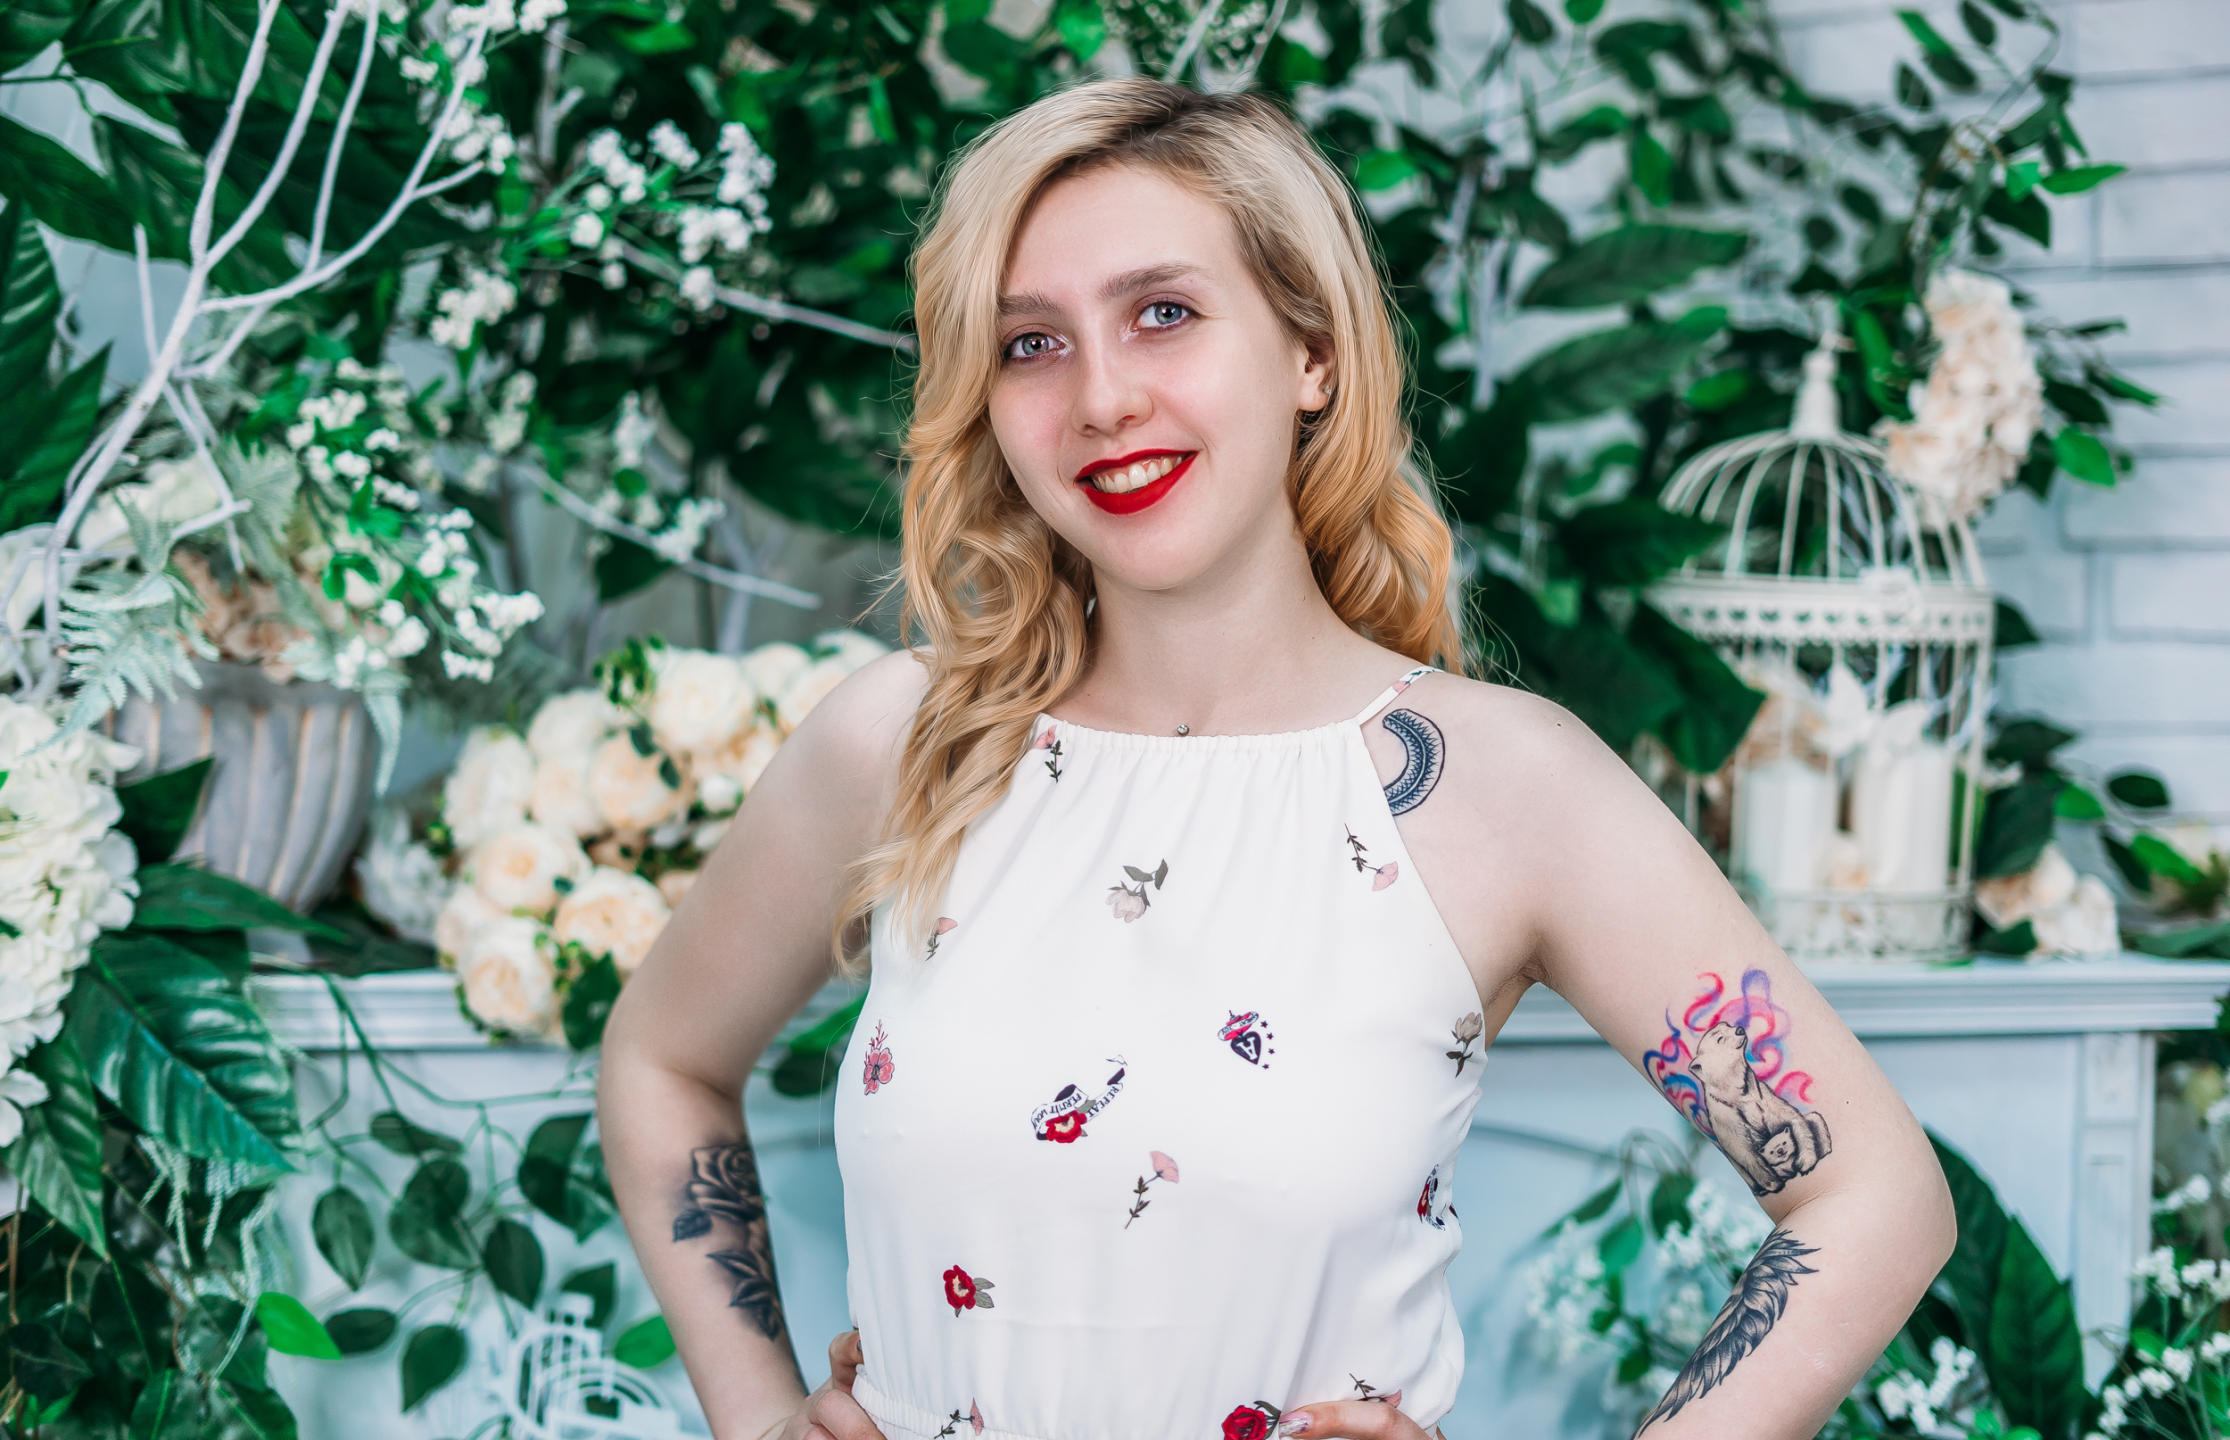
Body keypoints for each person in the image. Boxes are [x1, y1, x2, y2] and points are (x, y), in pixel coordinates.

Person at [598, 76, 1957, 1440]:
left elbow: (1874, 1194)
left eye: (1163, 313)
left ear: (1312, 352)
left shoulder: (1505, 789)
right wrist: (758, 1421)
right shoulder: (901, 744)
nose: (1102, 398)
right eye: (1030, 343)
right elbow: (662, 1061)